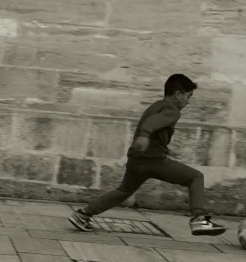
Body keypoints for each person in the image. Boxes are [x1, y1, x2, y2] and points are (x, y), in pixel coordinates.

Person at [69, 74, 227, 237]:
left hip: (136, 160)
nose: (188, 102)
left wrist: (147, 139)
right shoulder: (173, 111)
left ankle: (83, 214)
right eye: (189, 96)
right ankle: (199, 219)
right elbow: (151, 123)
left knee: (123, 191)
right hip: (154, 162)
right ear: (178, 94)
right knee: (196, 177)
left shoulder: (155, 106)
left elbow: (151, 123)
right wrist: (144, 135)